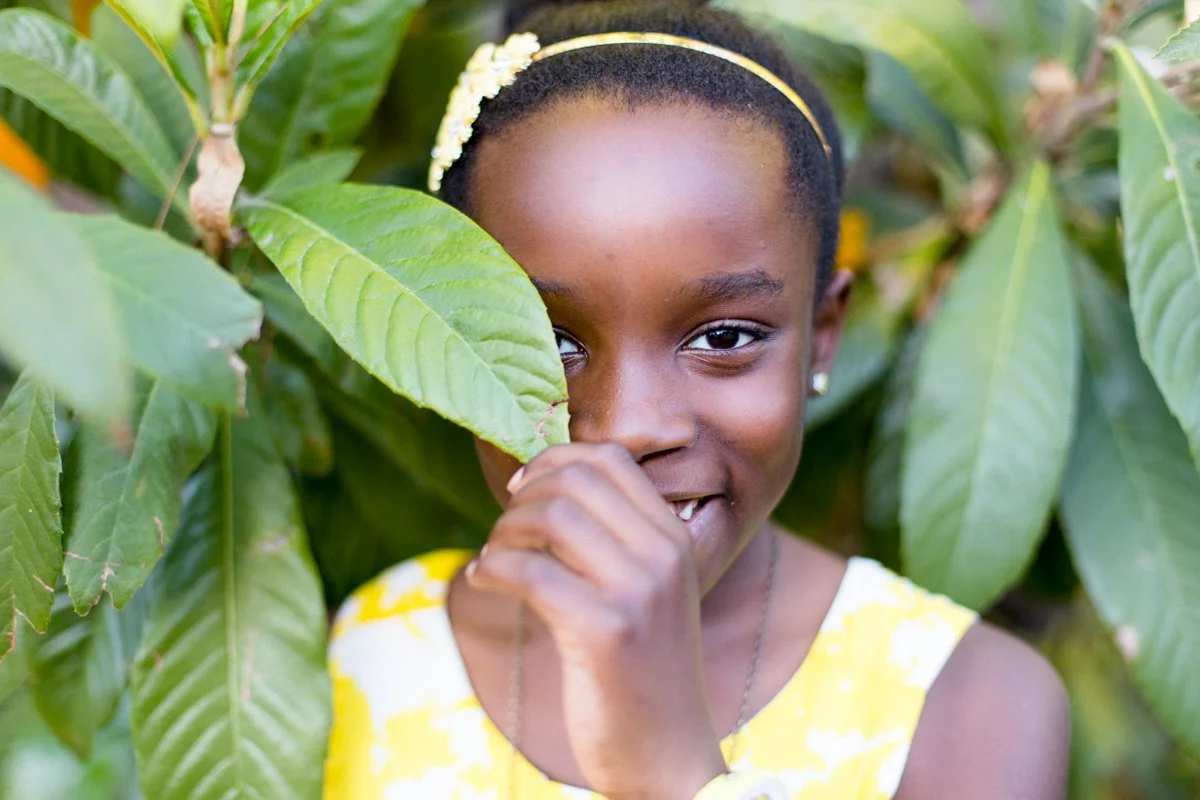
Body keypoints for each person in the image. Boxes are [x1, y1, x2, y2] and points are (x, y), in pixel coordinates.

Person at [323, 1, 1071, 798]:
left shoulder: (967, 707)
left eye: (723, 339)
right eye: (547, 342)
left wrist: (671, 768)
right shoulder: (379, 646)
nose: (631, 426)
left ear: (823, 337)